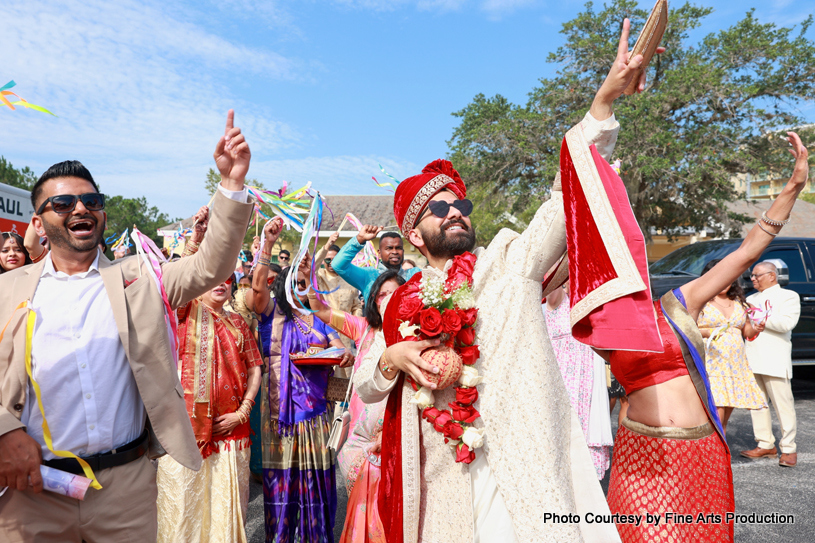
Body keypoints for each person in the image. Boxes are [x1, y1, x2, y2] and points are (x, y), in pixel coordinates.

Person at [353, 21, 649, 543]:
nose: (454, 212)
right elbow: (366, 389)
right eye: (437, 208)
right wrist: (390, 359)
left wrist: (603, 104)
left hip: (523, 468)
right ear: (413, 236)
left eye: (458, 204)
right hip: (443, 483)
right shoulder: (400, 303)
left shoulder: (510, 262)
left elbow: (564, 200)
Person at [0, 110, 254, 542]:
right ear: (38, 224)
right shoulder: (7, 290)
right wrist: (5, 431)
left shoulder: (142, 280)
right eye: (63, 203)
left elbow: (213, 264)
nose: (80, 208)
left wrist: (230, 184)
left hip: (126, 489)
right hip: (32, 491)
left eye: (91, 201)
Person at [603, 132, 809, 542]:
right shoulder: (599, 326)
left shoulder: (679, 302)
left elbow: (747, 251)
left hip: (698, 454)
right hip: (637, 458)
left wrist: (792, 187)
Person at [156, 206, 263, 543]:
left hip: (232, 431)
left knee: (226, 510)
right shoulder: (184, 313)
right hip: (186, 429)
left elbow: (255, 368)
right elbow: (172, 285)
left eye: (227, 280)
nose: (221, 284)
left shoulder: (238, 322)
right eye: (213, 279)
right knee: (183, 507)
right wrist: (194, 242)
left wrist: (242, 412)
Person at [245, 218, 353, 543]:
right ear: (284, 285)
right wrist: (266, 245)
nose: (301, 288)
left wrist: (342, 354)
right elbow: (256, 288)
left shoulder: (320, 319)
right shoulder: (272, 314)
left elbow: (340, 346)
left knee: (316, 492)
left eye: (306, 283)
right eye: (295, 282)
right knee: (281, 493)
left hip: (316, 417)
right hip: (280, 422)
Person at [307, 270, 404, 542]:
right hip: (358, 441)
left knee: (390, 512)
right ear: (373, 301)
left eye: (394, 293)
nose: (387, 300)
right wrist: (308, 276)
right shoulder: (364, 330)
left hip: (395, 437)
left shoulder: (413, 335)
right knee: (362, 508)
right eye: (381, 294)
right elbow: (322, 312)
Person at [544, 282, 612, 480]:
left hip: (586, 377)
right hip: (564, 373)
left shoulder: (585, 301)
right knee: (566, 425)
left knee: (583, 423)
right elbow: (551, 281)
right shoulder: (557, 300)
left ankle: (583, 479)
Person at [741, 260, 801, 467]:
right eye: (752, 276)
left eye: (757, 275)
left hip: (775, 358)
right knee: (757, 405)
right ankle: (765, 443)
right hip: (752, 356)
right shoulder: (750, 298)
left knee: (783, 406)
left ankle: (789, 448)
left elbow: (787, 324)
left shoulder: (788, 296)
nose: (753, 279)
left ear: (772, 276)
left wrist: (761, 319)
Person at [696, 259, 766, 435]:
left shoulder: (740, 303)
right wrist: (708, 332)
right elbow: (687, 328)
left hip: (735, 367)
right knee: (716, 418)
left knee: (724, 420)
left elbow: (746, 332)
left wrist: (755, 328)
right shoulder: (700, 301)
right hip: (713, 365)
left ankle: (721, 459)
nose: (724, 283)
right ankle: (713, 459)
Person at [332, 227, 419, 301]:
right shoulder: (368, 276)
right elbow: (338, 265)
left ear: (403, 252)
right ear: (379, 253)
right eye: (389, 248)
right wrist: (360, 239)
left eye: (398, 248)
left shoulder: (414, 275)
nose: (394, 252)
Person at [314, 231, 364, 353]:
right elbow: (311, 267)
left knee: (345, 367)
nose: (331, 263)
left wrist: (356, 324)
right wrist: (327, 245)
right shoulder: (319, 275)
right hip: (323, 330)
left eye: (335, 259)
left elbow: (356, 306)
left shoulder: (349, 277)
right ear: (322, 261)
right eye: (327, 260)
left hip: (346, 332)